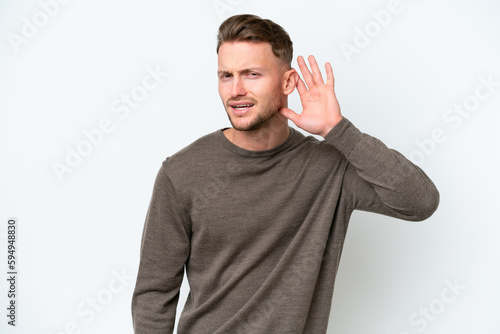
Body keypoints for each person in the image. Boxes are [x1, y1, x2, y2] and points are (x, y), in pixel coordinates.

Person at [131, 14, 439, 334]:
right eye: (226, 75)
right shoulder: (182, 173)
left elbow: (420, 202)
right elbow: (154, 292)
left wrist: (338, 131)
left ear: (288, 82)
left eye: (251, 74)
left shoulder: (329, 168)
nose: (235, 90)